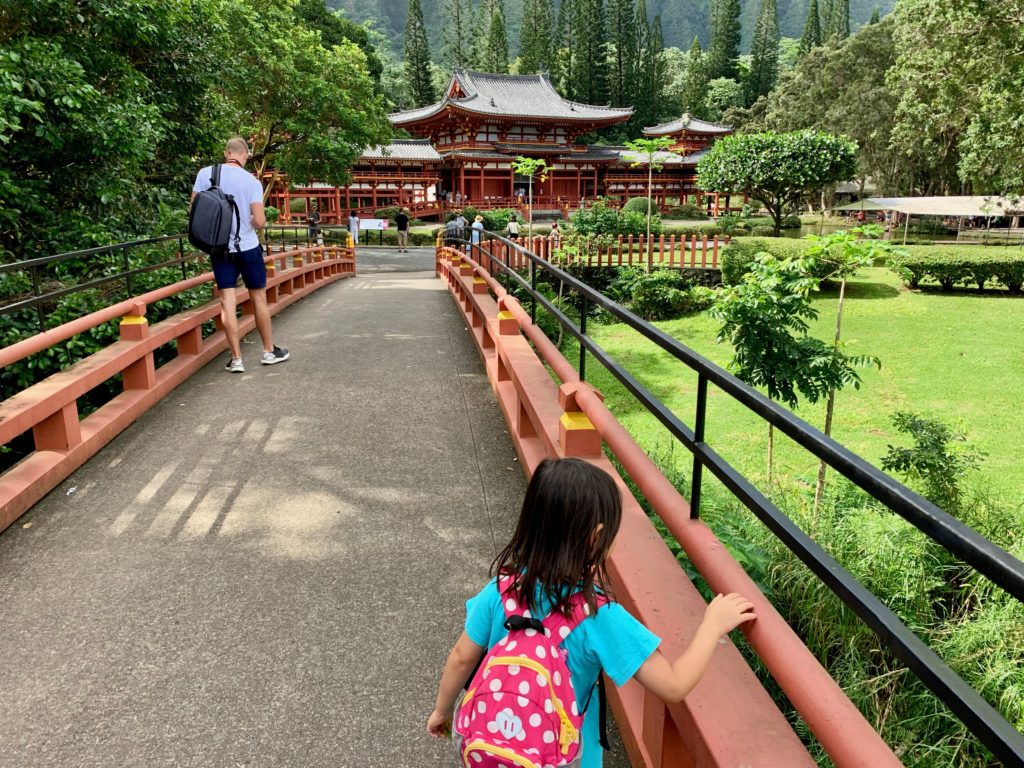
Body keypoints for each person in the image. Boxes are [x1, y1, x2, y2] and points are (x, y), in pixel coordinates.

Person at [426, 458, 756, 767]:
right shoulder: (598, 616)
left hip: (498, 742)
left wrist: (442, 711)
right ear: (597, 536)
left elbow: (461, 657)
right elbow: (673, 684)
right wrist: (712, 625)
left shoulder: (503, 590)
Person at [191, 136, 288, 373]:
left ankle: (236, 359)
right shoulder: (251, 181)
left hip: (220, 248)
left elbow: (194, 208)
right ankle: (268, 351)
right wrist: (250, 221)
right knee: (258, 298)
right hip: (247, 246)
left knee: (227, 301)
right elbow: (260, 221)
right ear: (244, 155)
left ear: (227, 153)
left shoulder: (206, 174)